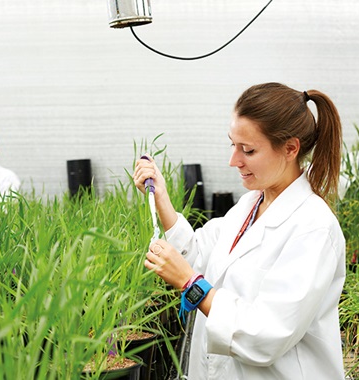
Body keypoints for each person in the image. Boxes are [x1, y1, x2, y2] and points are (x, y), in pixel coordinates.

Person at [133, 82, 346, 379]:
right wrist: (161, 198)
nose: (234, 160)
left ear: (290, 148)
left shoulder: (313, 228)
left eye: (248, 150)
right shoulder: (249, 205)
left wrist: (188, 283)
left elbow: (267, 334)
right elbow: (198, 255)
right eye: (232, 145)